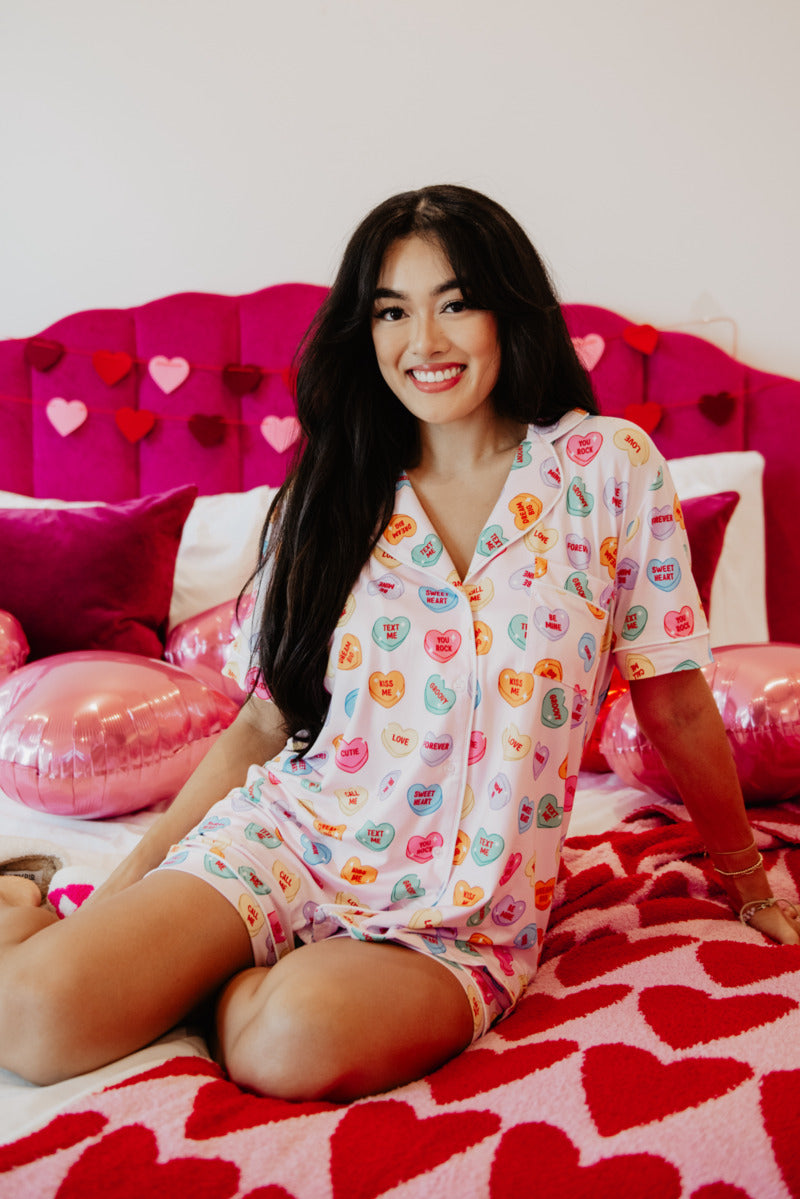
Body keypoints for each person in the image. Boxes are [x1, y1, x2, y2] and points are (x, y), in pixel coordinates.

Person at [1, 185, 798, 1103]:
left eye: (455, 302)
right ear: (366, 332)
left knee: (291, 1041)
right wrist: (124, 890)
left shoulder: (607, 471)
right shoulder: (332, 493)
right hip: (286, 841)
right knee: (29, 1022)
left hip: (459, 912)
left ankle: (214, 981)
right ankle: (29, 898)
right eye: (392, 311)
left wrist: (746, 880)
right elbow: (265, 725)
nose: (424, 342)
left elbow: (677, 697)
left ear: (509, 308)